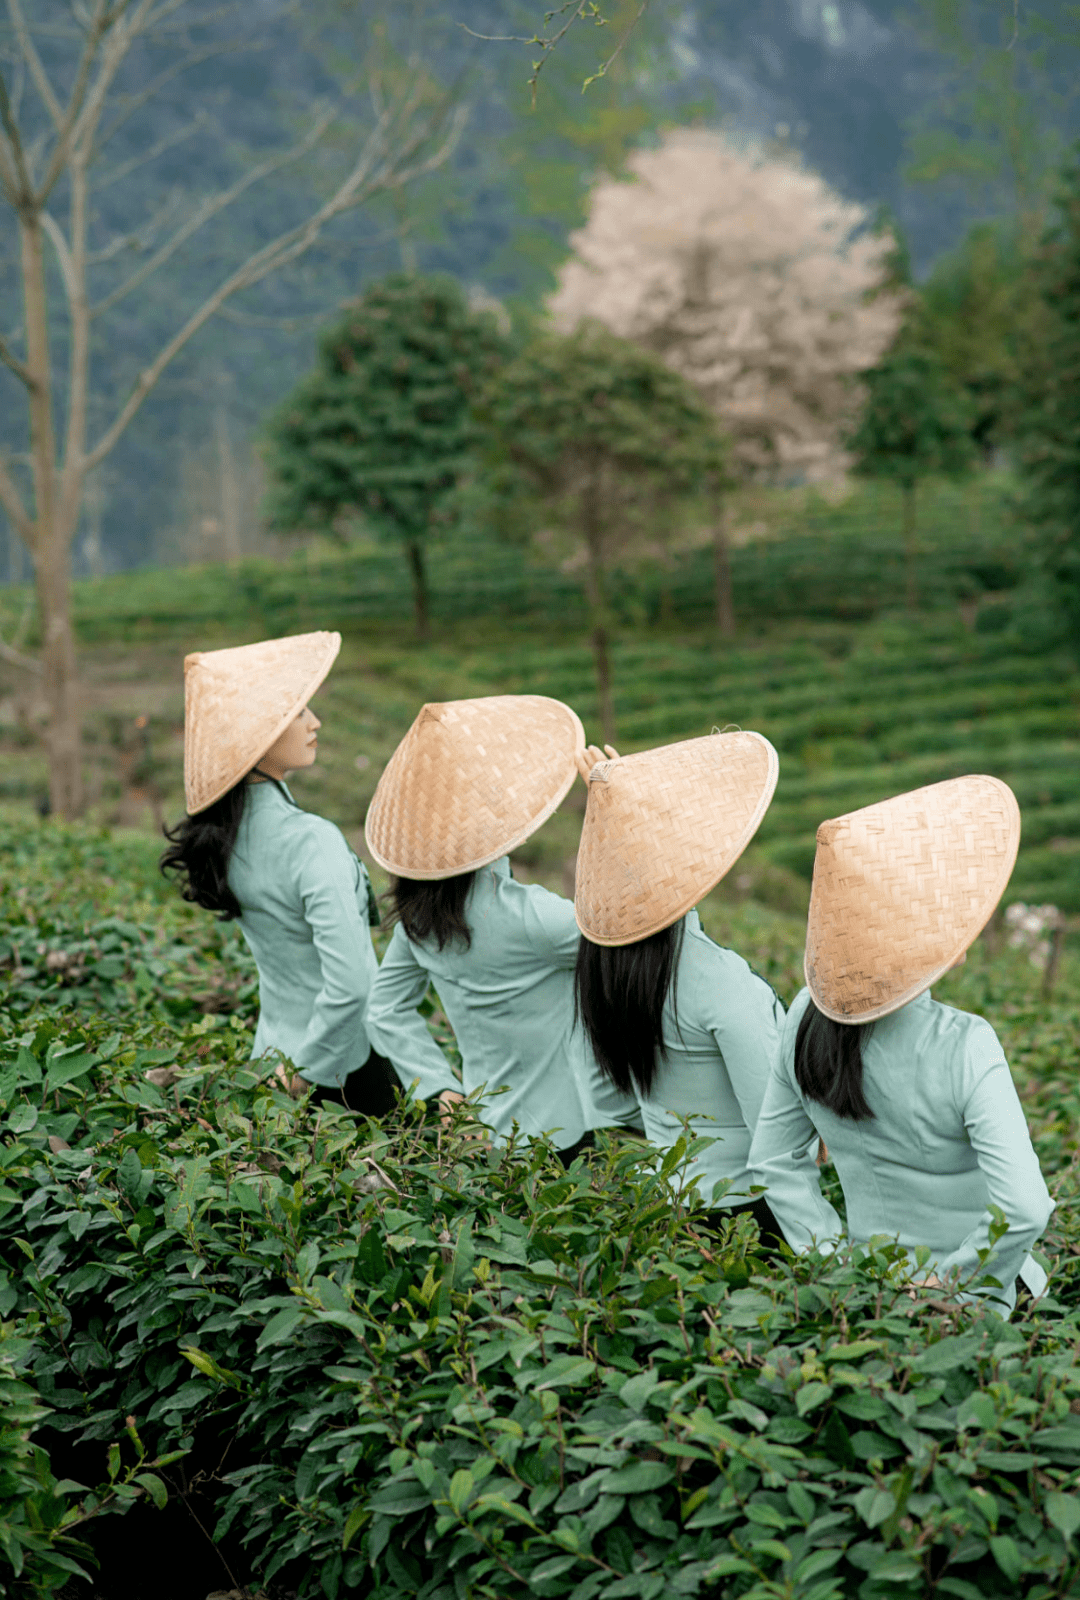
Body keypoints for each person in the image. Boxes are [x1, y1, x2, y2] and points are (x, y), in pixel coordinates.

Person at [748, 775, 1053, 1314]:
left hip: (869, 1290)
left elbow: (773, 1160)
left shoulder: (804, 1014)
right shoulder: (966, 1045)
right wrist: (947, 1284)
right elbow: (1026, 1207)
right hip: (975, 1304)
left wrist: (835, 1266)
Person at [161, 632, 439, 1114]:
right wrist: (305, 1073)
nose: (315, 722)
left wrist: (285, 1072)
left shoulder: (224, 837)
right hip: (344, 1070)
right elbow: (353, 987)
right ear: (258, 732)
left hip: (270, 1058)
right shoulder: (311, 841)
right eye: (298, 712)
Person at [363, 694, 643, 1159]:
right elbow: (637, 927)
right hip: (561, 1134)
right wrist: (622, 812)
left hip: (486, 1129)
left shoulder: (421, 917)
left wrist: (439, 1090)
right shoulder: (530, 916)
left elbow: (384, 1010)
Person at [572, 730, 786, 1240]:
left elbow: (606, 1099)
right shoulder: (723, 982)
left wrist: (624, 814)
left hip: (664, 1203)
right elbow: (779, 1143)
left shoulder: (599, 964)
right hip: (746, 1215)